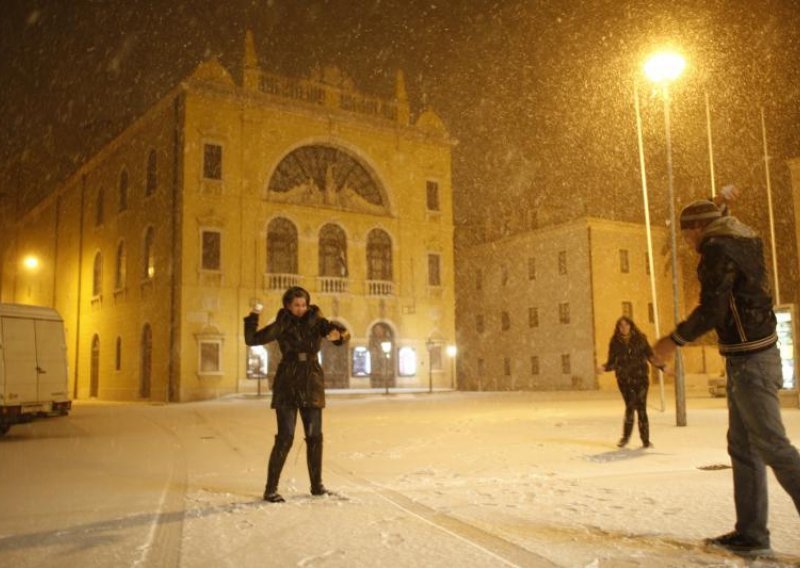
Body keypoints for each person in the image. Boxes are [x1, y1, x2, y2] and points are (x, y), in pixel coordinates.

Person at [653, 198, 800, 556]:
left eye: (686, 234)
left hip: (751, 360)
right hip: (747, 356)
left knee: (772, 446)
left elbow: (714, 309)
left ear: (698, 229)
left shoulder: (718, 249)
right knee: (744, 447)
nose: (686, 242)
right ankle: (751, 533)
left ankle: (752, 533)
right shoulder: (740, 241)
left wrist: (672, 341)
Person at [243, 286, 350, 503]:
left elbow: (340, 335)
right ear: (287, 306)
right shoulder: (283, 323)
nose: (300, 309)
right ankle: (270, 489)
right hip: (287, 381)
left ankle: (317, 486)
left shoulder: (317, 321)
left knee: (314, 437)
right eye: (296, 305)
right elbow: (252, 339)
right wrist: (253, 317)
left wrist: (338, 334)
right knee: (285, 437)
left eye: (303, 304)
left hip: (311, 380)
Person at [597, 316, 663, 448]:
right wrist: (604, 367)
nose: (624, 328)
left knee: (641, 408)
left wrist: (662, 366)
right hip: (624, 380)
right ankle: (625, 438)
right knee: (630, 407)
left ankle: (645, 440)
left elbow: (650, 355)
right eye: (621, 326)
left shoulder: (640, 339)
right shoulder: (615, 342)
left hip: (641, 379)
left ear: (631, 326)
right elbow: (613, 362)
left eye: (626, 325)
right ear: (618, 328)